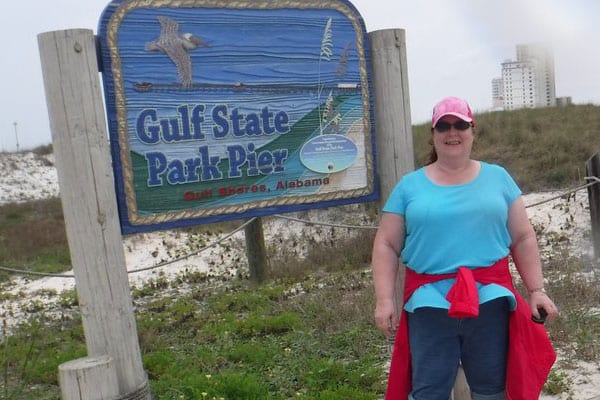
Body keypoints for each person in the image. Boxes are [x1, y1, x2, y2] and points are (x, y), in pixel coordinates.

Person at [371, 96, 559, 400]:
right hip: (428, 305)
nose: (452, 132)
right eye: (443, 126)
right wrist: (384, 300)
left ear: (472, 130)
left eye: (460, 124)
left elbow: (523, 237)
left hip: (491, 302)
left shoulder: (499, 178)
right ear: (433, 134)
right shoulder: (409, 186)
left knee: (491, 389)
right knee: (428, 391)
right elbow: (386, 244)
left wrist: (536, 289)